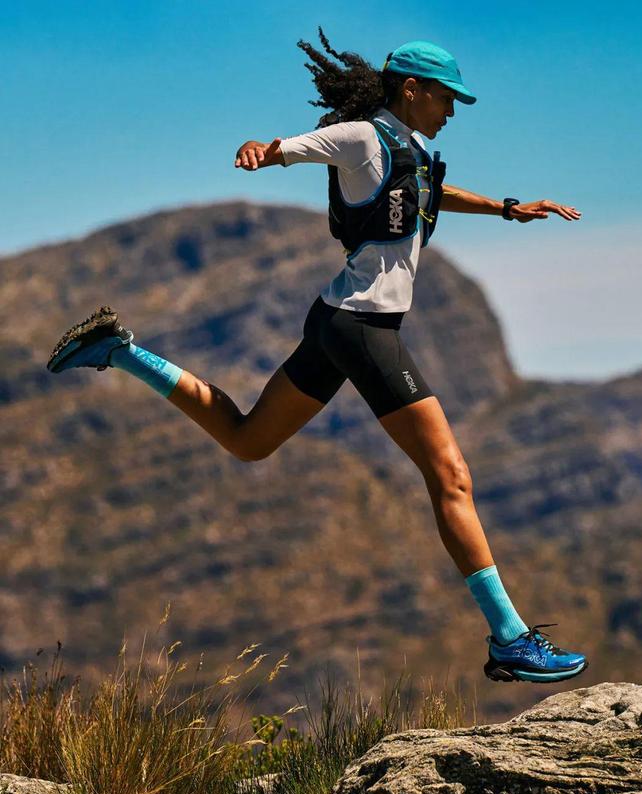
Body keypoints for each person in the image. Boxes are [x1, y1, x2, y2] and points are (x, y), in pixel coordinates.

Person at [47, 30, 587, 683]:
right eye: (447, 98)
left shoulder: (411, 153)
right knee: (451, 475)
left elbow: (431, 195)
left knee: (248, 440)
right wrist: (261, 151)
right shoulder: (363, 138)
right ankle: (510, 637)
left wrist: (508, 209)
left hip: (336, 322)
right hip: (364, 328)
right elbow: (293, 149)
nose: (452, 112)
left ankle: (122, 352)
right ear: (412, 90)